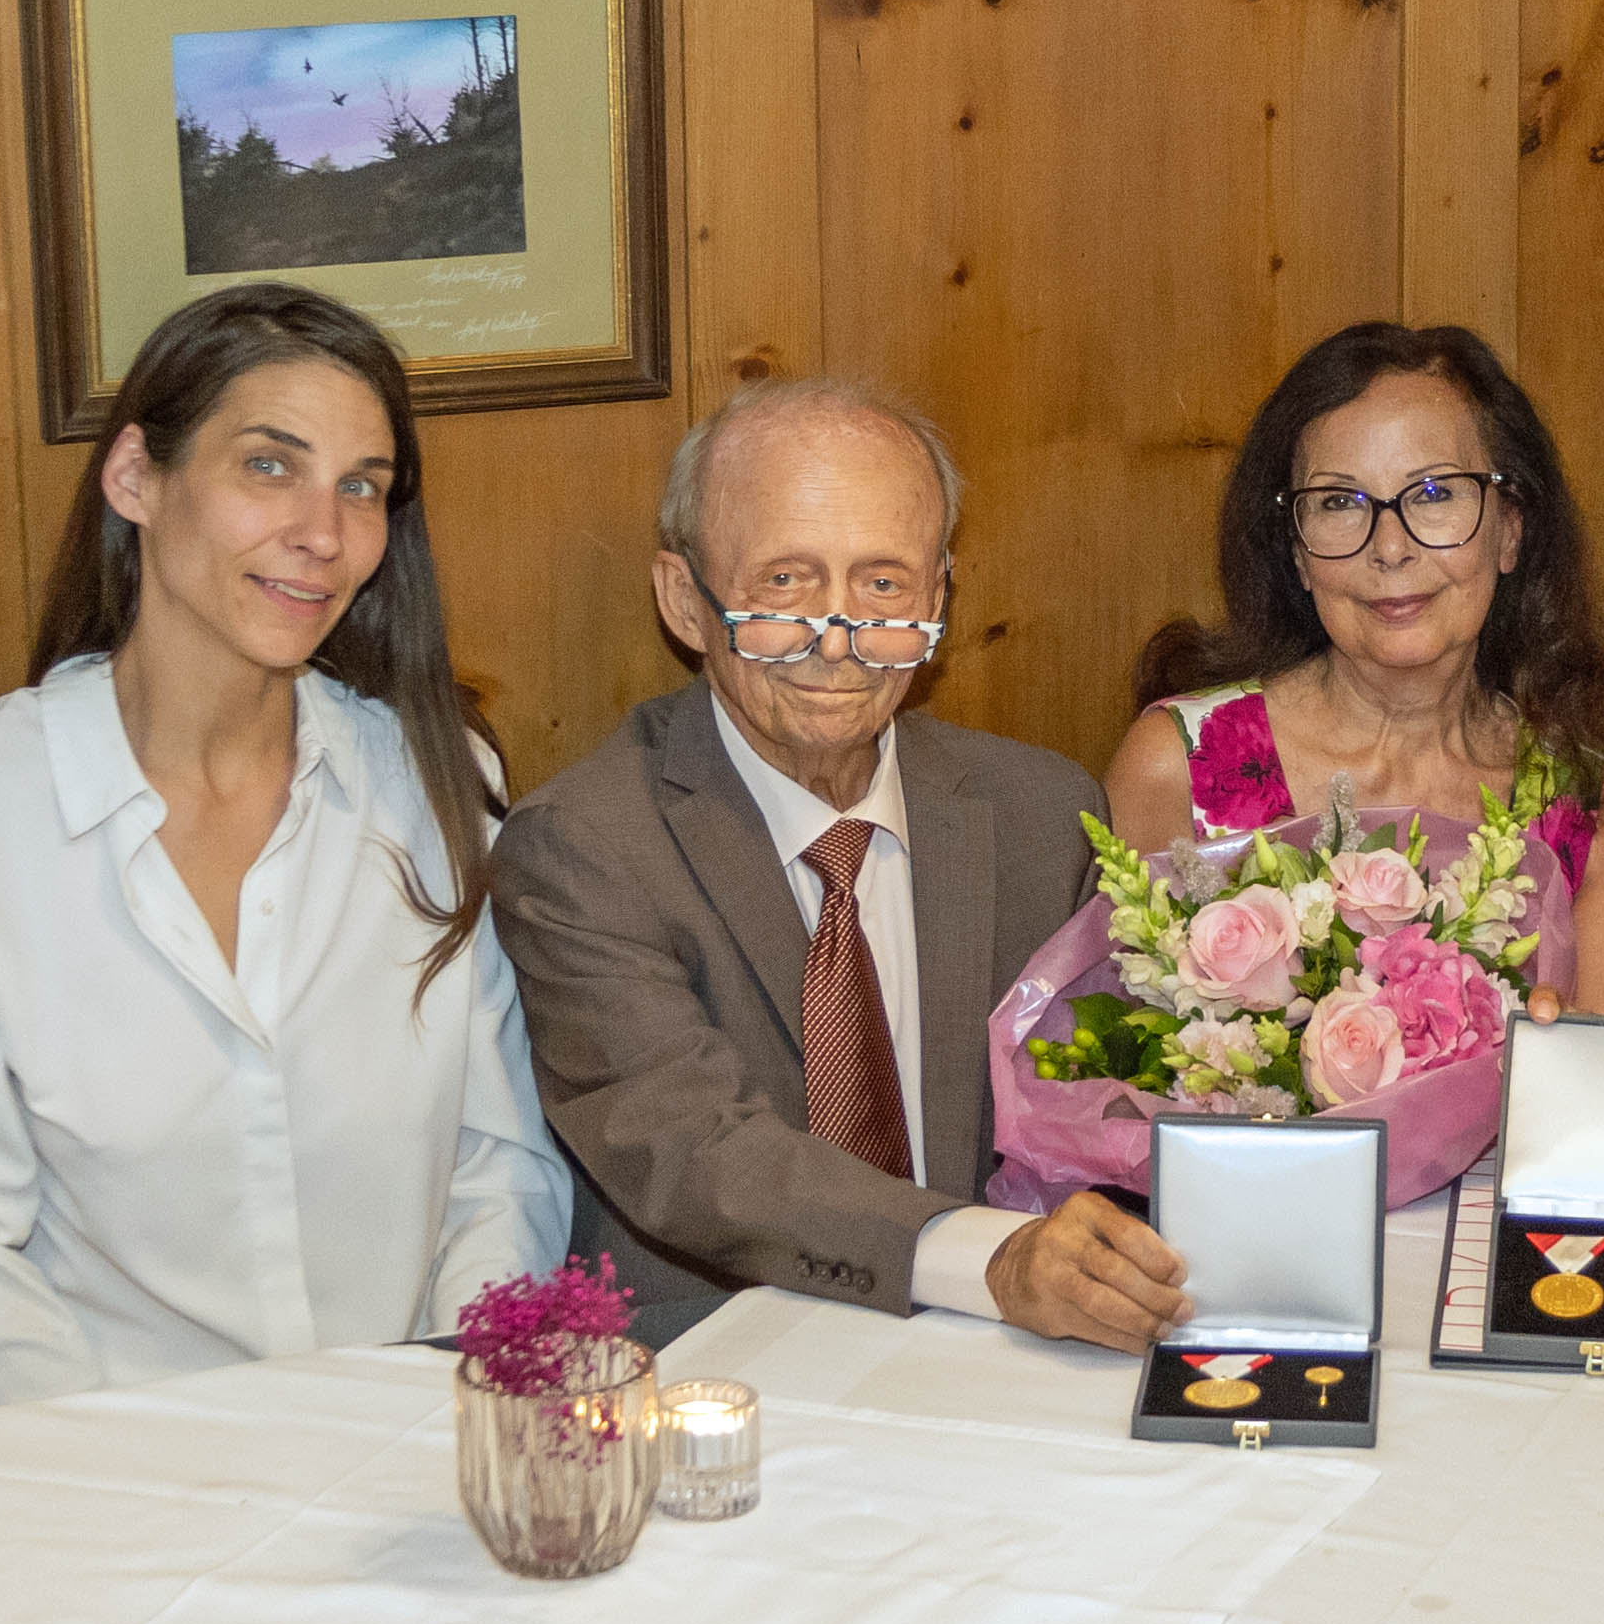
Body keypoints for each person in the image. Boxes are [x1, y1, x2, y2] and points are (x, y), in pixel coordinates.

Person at [0, 281, 567, 1391]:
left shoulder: (437, 783)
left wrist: (439, 1405)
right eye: (268, 464)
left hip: (411, 1452)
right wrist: (133, 1489)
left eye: (362, 486)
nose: (323, 532)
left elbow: (499, 1170)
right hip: (107, 1492)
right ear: (136, 475)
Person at [491, 377, 1180, 1349]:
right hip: (708, 1375)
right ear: (686, 600)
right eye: (784, 581)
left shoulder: (1039, 815)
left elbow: (1111, 1103)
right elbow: (695, 1153)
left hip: (1008, 1365)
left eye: (884, 583)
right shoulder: (586, 846)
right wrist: (981, 1255)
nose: (838, 633)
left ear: (939, 597)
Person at [1108, 319, 1604, 1014]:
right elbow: (1114, 1078)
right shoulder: (1179, 766)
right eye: (1340, 502)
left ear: (1510, 530)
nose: (1390, 547)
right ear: (1298, 554)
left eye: (1433, 494)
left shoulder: (1587, 809)